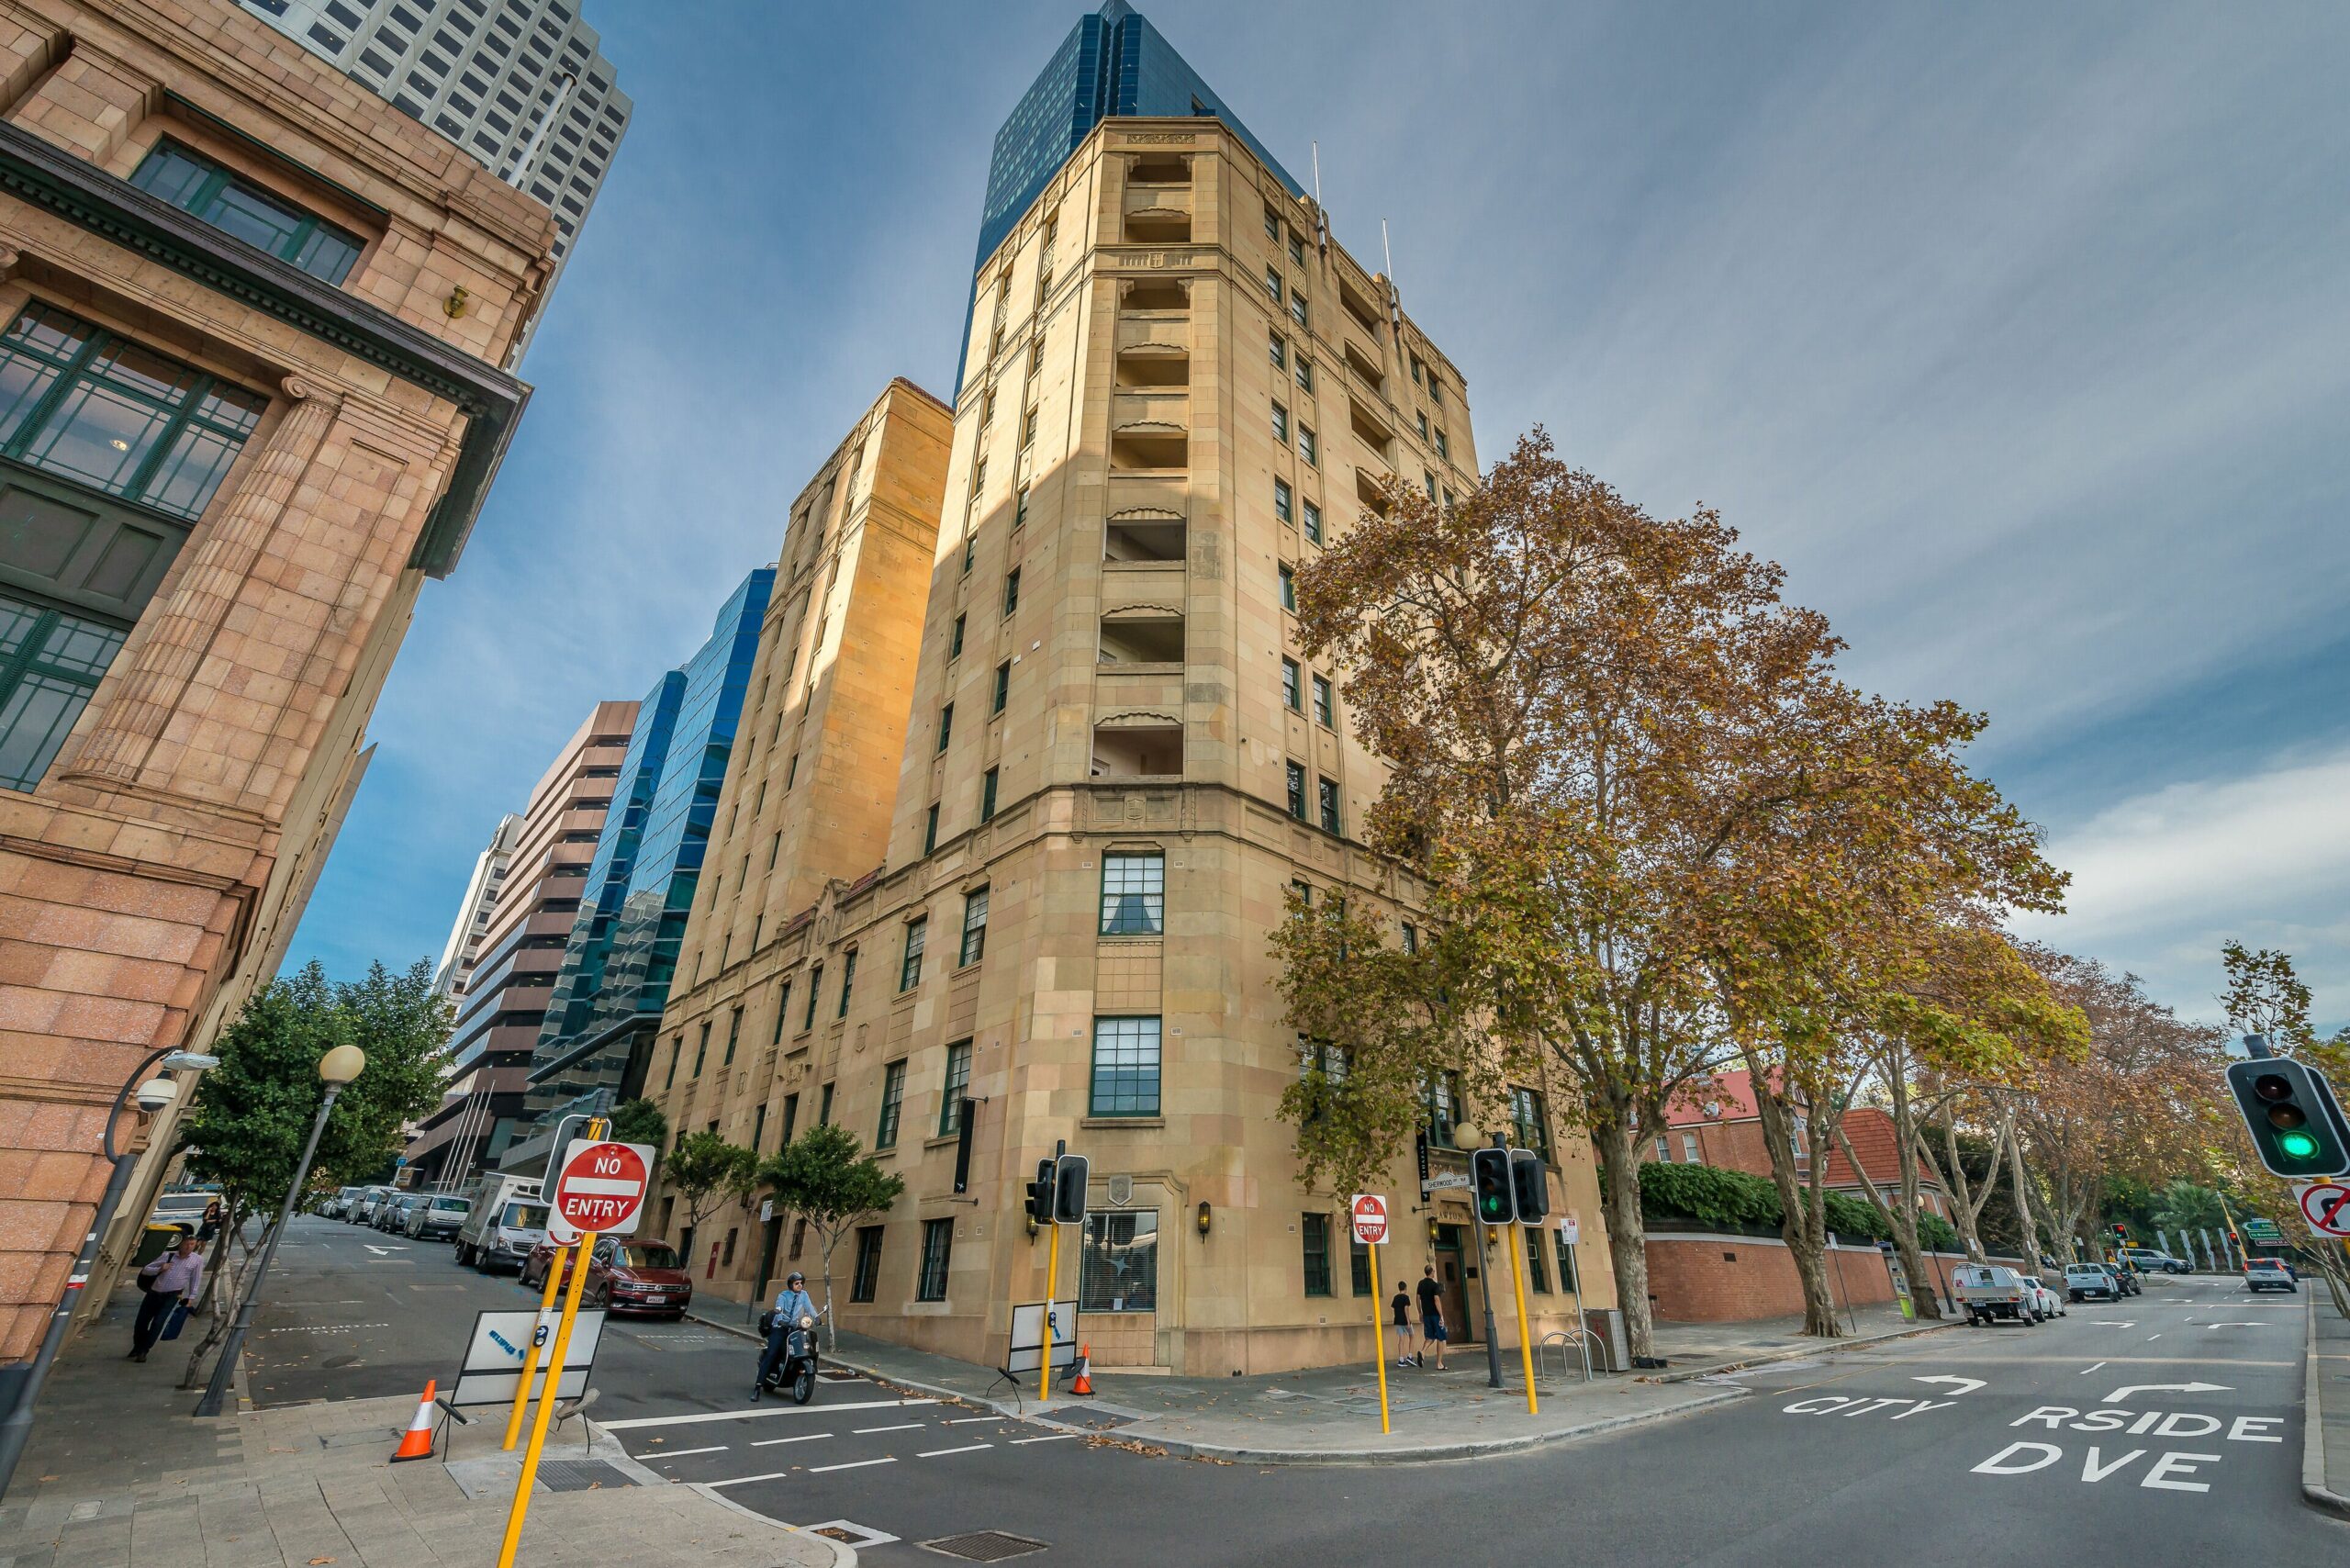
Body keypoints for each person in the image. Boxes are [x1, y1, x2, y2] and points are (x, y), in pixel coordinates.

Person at [130, 1237, 204, 1363]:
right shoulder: (167, 1256)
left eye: (192, 1244)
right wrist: (160, 1269)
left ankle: (144, 1350)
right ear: (180, 1244)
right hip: (154, 1293)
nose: (189, 1247)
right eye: (186, 1244)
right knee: (141, 1322)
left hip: (172, 1295)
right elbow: (146, 1270)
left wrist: (192, 1297)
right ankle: (138, 1346)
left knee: (158, 1322)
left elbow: (195, 1280)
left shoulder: (197, 1260)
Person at [753, 1271, 818, 1396]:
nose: (800, 1286)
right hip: (781, 1328)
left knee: (799, 1349)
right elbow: (779, 1308)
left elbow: (810, 1308)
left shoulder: (804, 1295)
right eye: (797, 1283)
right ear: (790, 1285)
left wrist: (816, 1317)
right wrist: (781, 1320)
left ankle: (791, 1373)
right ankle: (758, 1387)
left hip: (794, 1328)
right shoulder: (783, 1295)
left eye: (801, 1283)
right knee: (772, 1353)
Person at [1416, 1263, 1448, 1371]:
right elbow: (1436, 1300)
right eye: (1434, 1271)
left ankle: (1423, 1351)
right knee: (1440, 1338)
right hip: (1435, 1314)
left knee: (1430, 1337)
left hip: (1426, 1314)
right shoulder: (1435, 1285)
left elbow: (1417, 1298)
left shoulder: (1420, 1284)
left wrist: (1420, 1312)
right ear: (1432, 1272)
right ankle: (1439, 1363)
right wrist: (1441, 1315)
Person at [1391, 1278, 1416, 1368]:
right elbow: (1406, 1309)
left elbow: (1393, 1308)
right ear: (1405, 1288)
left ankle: (1401, 1359)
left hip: (1397, 1321)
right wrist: (1408, 1321)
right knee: (1412, 1336)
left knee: (1401, 1340)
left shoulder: (1395, 1297)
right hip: (1405, 1321)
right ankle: (1410, 1355)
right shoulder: (1406, 1298)